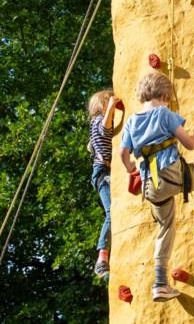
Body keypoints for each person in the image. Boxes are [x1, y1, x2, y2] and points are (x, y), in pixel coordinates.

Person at [119, 72, 194, 302]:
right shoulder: (164, 113)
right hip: (172, 175)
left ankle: (160, 284)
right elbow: (190, 144)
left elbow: (123, 153)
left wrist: (131, 166)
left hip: (151, 187)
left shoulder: (132, 121)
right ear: (164, 95)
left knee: (165, 228)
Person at [87, 88, 123, 279]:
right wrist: (111, 106)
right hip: (103, 172)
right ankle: (102, 257)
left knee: (113, 212)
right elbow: (105, 127)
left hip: (103, 172)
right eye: (109, 102)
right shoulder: (99, 121)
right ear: (103, 105)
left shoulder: (94, 123)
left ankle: (105, 255)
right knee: (112, 213)